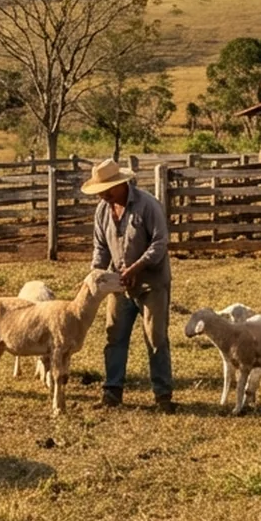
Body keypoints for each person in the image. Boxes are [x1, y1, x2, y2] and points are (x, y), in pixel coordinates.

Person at [81, 158, 173, 410]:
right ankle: (112, 393)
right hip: (118, 284)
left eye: (107, 190)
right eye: (101, 191)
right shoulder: (102, 211)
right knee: (114, 336)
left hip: (150, 283)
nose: (104, 195)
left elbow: (160, 243)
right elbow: (100, 248)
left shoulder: (147, 205)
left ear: (121, 184)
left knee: (155, 337)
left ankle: (163, 395)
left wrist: (136, 267)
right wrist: (98, 275)